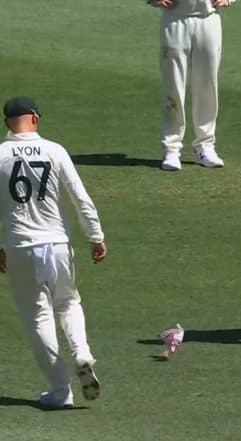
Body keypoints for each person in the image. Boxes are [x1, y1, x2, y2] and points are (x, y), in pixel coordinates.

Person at [0, 97, 107, 408]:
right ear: (34, 118)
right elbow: (80, 197)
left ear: (7, 122)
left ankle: (61, 390)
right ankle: (81, 351)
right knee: (68, 302)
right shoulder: (55, 150)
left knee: (37, 316)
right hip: (56, 244)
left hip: (19, 246)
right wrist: (95, 236)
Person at [148, 0, 238, 171]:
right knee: (173, 87)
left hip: (208, 18)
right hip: (175, 19)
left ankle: (205, 146)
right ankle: (171, 149)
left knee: (207, 86)